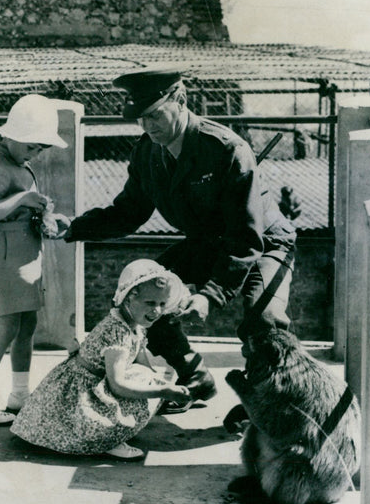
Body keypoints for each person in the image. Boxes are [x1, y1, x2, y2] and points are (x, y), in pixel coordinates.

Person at [64, 69, 297, 414]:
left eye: (155, 115)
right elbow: (129, 212)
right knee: (144, 298)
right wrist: (72, 227)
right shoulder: (148, 152)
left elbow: (245, 239)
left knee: (264, 320)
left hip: (264, 242)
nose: (148, 126)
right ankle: (195, 377)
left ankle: (269, 405)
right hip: (208, 241)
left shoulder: (226, 148)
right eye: (141, 119)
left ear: (181, 101)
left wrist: (209, 295)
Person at [0, 94, 72, 426]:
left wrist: (50, 218)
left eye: (40, 148)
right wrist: (24, 197)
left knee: (27, 326)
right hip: (6, 260)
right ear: (12, 135)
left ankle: (19, 394)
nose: (36, 153)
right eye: (32, 146)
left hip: (25, 255)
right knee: (7, 328)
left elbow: (20, 213)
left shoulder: (18, 163)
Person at [11, 259, 192, 460]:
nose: (157, 311)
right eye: (150, 303)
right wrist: (163, 391)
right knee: (146, 386)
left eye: (161, 304)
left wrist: (162, 386)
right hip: (80, 394)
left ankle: (113, 428)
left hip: (97, 384)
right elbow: (117, 385)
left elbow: (143, 365)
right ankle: (106, 439)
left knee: (148, 377)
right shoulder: (117, 331)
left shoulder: (135, 326)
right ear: (128, 299)